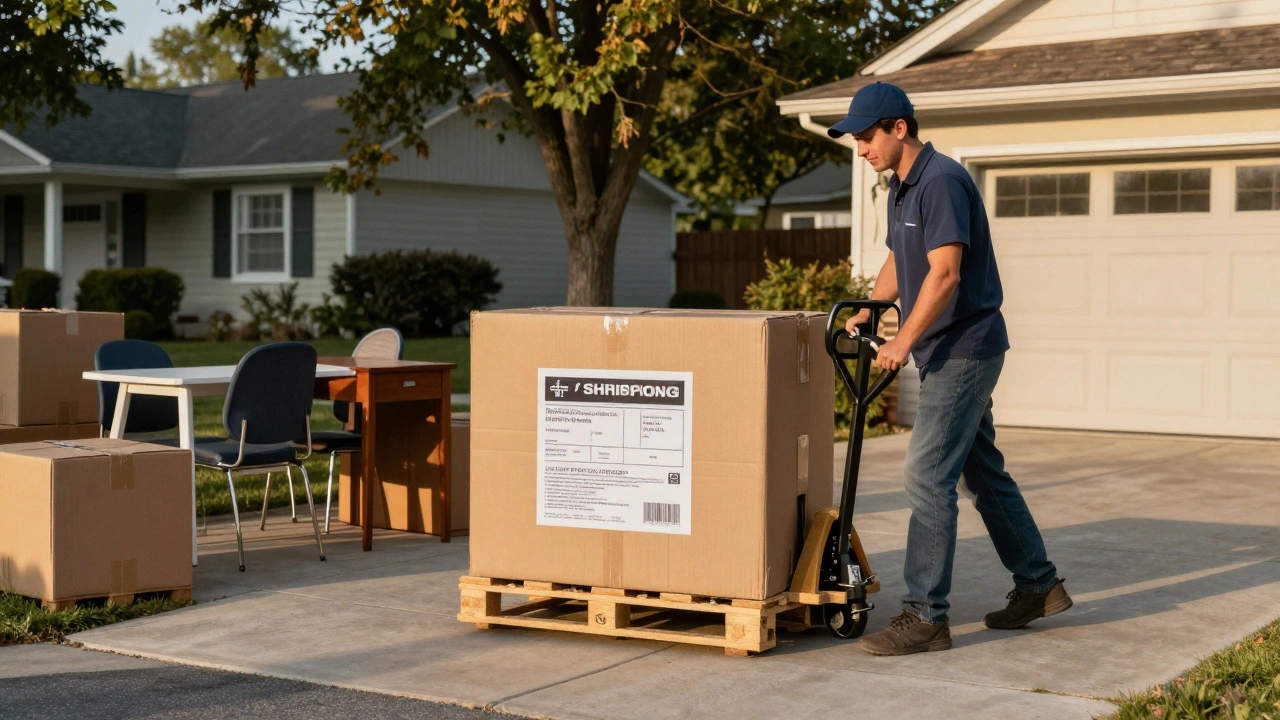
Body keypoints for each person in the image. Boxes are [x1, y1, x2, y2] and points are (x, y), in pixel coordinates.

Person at [827, 82, 1071, 656]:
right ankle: (1039, 583)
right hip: (945, 349)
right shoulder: (901, 188)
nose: (860, 148)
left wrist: (900, 340)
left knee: (926, 476)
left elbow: (945, 273)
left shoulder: (940, 181)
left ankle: (926, 616)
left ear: (899, 128)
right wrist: (872, 306)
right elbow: (899, 257)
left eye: (866, 137)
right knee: (982, 473)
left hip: (964, 348)